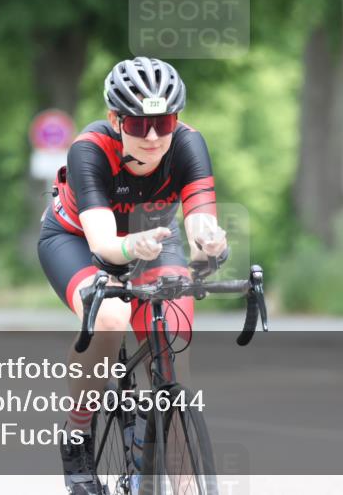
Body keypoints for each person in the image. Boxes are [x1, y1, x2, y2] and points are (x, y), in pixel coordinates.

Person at [38, 57, 228, 495]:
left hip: (153, 238)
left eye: (165, 122)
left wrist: (210, 241)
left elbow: (200, 221)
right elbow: (104, 242)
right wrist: (128, 249)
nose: (154, 136)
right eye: (140, 126)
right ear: (115, 120)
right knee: (109, 316)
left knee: (173, 345)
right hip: (78, 240)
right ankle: (77, 433)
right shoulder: (88, 149)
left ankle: (165, 468)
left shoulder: (188, 144)